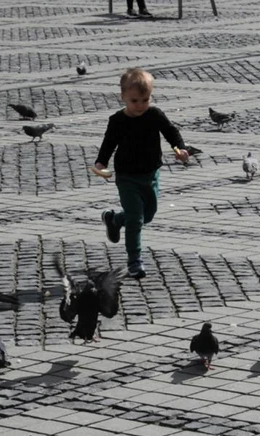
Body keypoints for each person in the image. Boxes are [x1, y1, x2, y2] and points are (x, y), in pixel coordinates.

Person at [95, 68, 189, 279]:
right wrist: (101, 162)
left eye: (145, 100)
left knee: (148, 214)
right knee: (136, 218)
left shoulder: (154, 115)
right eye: (135, 101)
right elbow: (109, 142)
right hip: (126, 176)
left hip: (150, 174)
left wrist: (180, 148)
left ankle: (115, 221)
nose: (140, 105)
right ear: (123, 97)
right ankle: (134, 260)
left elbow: (170, 131)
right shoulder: (117, 120)